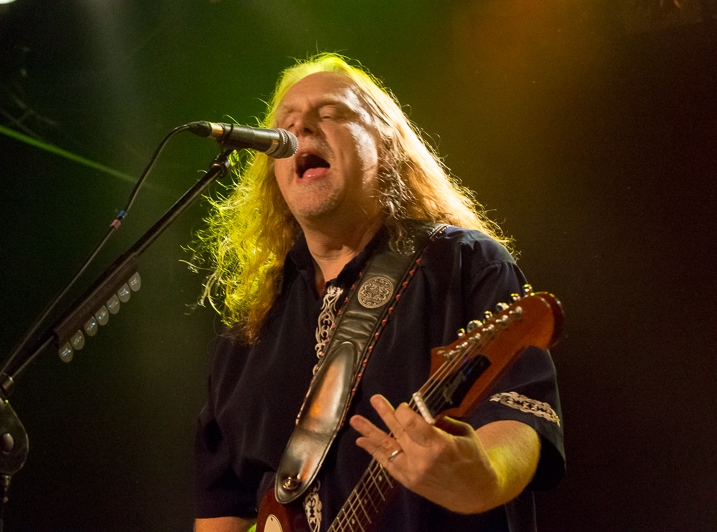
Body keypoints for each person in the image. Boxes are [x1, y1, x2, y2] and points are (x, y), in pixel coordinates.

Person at [192, 54, 564, 532]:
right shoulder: (249, 331)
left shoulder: (461, 263)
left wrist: (481, 478)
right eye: (285, 123)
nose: (300, 127)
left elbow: (520, 412)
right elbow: (221, 507)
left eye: (331, 113)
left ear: (386, 145)